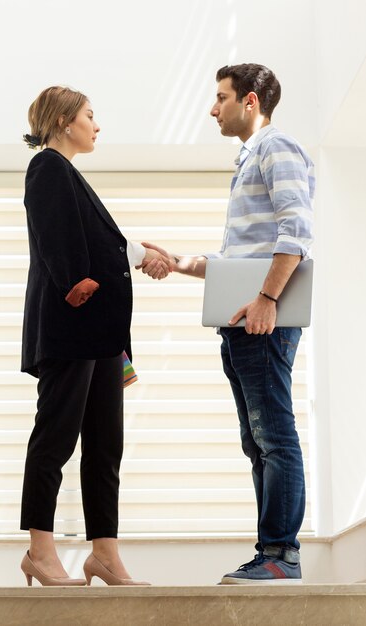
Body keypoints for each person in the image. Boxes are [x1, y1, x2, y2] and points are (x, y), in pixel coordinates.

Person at [142, 63, 314, 583]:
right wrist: (178, 263)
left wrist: (266, 299)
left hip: (262, 321)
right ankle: (271, 551)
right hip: (242, 321)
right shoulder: (249, 159)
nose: (213, 109)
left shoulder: (274, 147)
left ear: (251, 101)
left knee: (273, 436)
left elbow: (298, 230)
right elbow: (241, 255)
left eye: (221, 98)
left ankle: (281, 555)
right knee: (257, 438)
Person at [19, 85, 169, 587]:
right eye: (89, 115)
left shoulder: (71, 175)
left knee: (106, 447)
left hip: (102, 336)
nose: (96, 124)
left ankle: (104, 554)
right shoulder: (47, 167)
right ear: (64, 121)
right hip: (70, 329)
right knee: (55, 437)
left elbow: (100, 242)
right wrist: (74, 280)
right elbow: (57, 237)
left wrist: (140, 253)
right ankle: (41, 551)